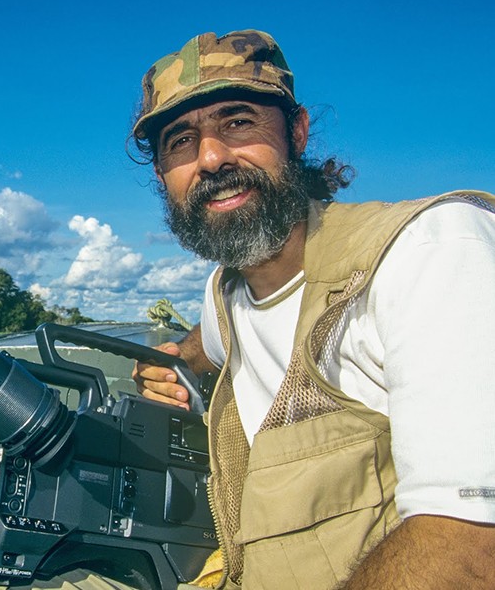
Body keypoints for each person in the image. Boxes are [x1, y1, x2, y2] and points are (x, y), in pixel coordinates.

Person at [131, 29, 495, 588]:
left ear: (297, 132)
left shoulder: (427, 250)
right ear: (163, 176)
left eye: (238, 122)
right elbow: (202, 346)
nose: (210, 158)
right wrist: (168, 363)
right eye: (180, 141)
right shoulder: (224, 292)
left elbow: (472, 545)